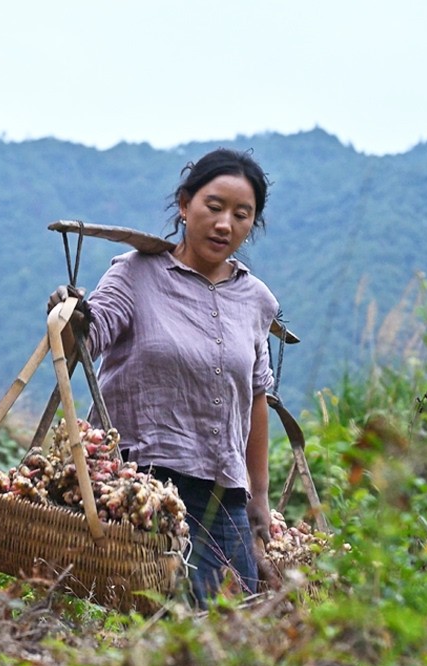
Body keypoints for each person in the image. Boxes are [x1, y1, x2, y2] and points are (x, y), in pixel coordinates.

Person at [48, 148, 279, 606]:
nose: (224, 225)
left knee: (230, 620)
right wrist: (69, 317)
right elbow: (87, 340)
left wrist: (260, 495)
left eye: (241, 215)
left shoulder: (257, 300)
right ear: (185, 204)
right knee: (139, 615)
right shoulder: (135, 274)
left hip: (222, 492)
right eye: (214, 207)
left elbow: (256, 397)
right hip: (137, 482)